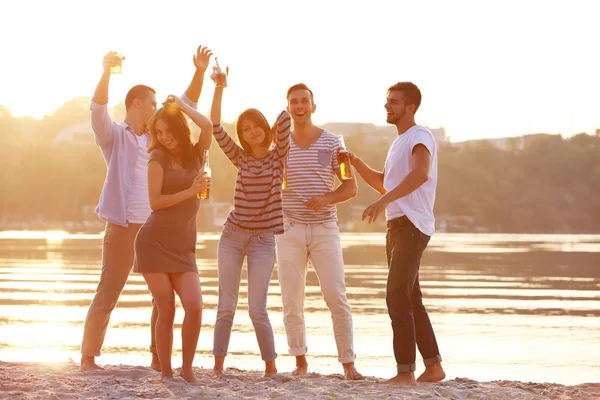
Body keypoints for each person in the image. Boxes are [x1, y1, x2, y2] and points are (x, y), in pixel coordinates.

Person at [80, 46, 213, 372]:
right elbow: (97, 110)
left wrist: (198, 72)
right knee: (109, 290)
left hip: (158, 228)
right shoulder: (114, 137)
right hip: (124, 226)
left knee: (162, 298)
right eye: (152, 103)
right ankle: (88, 357)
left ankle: (159, 357)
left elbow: (188, 105)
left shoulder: (158, 139)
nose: (157, 108)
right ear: (136, 103)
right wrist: (107, 71)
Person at [349, 82, 445, 385]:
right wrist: (356, 163)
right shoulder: (398, 143)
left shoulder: (420, 136)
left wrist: (383, 201)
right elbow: (387, 185)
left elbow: (421, 173)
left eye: (394, 102)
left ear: (410, 107)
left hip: (412, 226)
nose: (387, 106)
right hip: (397, 226)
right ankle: (434, 368)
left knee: (396, 296)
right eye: (386, 101)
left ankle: (406, 371)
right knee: (410, 298)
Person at [275, 83, 362, 380]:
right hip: (289, 229)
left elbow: (350, 187)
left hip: (325, 228)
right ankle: (300, 362)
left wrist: (325, 198)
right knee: (291, 299)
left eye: (304, 101)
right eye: (294, 102)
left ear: (313, 107)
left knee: (336, 296)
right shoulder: (280, 145)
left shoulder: (333, 143)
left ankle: (348, 363)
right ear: (288, 108)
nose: (299, 106)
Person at [208, 65, 291, 377]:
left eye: (256, 126)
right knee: (225, 305)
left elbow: (284, 120)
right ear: (241, 135)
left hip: (263, 241)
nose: (251, 131)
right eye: (246, 128)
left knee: (257, 308)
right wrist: (220, 87)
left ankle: (270, 368)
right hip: (232, 235)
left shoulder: (277, 157)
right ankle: (217, 367)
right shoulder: (240, 157)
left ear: (265, 129)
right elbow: (216, 127)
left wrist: (272, 122)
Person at [133, 94, 212, 382]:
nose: (163, 138)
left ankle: (187, 369)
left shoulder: (196, 154)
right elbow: (155, 202)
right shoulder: (157, 157)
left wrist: (182, 106)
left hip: (183, 245)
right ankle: (166, 372)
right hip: (153, 242)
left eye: (167, 130)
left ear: (179, 126)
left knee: (195, 305)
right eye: (158, 133)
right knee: (166, 308)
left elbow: (207, 127)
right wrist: (190, 191)